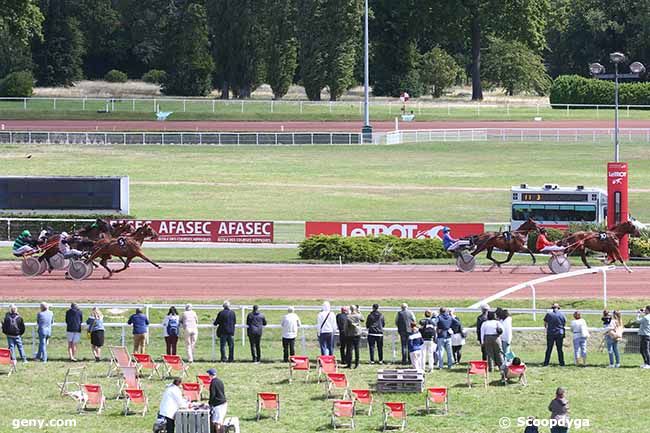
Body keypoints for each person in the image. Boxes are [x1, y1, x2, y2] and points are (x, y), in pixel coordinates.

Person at [207, 368, 227, 433]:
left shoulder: (213, 383)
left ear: (210, 375)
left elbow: (212, 395)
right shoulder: (220, 381)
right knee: (220, 421)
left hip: (218, 405)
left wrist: (210, 403)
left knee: (216, 423)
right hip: (223, 403)